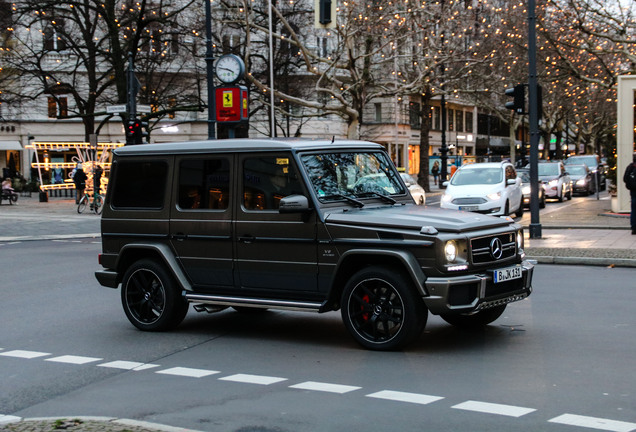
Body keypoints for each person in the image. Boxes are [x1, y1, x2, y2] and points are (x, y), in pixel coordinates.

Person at [623, 153, 636, 235]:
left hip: (633, 191)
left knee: (634, 209)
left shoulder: (630, 167)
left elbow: (625, 178)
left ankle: (634, 227)